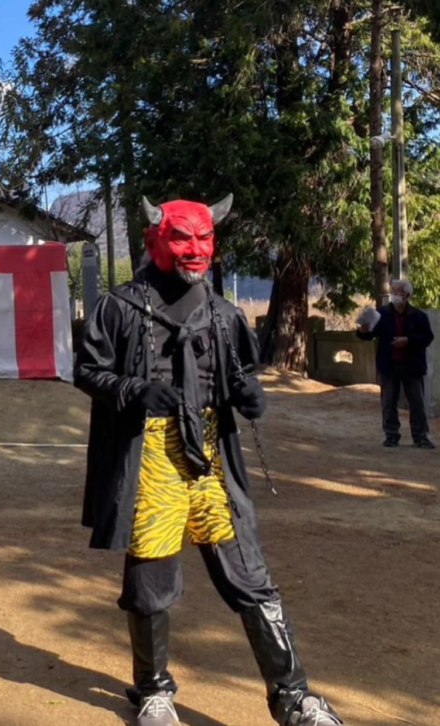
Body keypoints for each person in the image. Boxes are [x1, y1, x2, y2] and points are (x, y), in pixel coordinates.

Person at [75, 196, 343, 726]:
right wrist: (132, 390)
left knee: (249, 576)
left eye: (204, 239)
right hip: (152, 455)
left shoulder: (223, 314)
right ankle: (153, 691)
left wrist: (250, 398)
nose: (195, 250)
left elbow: (242, 376)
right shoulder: (119, 307)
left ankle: (295, 698)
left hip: (212, 457)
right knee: (151, 577)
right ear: (155, 240)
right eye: (182, 238)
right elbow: (86, 370)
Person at [356, 279, 435, 449]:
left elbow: (428, 337)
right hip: (388, 365)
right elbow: (368, 335)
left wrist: (408, 340)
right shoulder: (381, 314)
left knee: (417, 403)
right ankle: (391, 435)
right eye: (393, 291)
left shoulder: (419, 316)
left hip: (412, 366)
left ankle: (420, 436)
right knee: (388, 402)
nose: (395, 294)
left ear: (407, 295)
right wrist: (362, 330)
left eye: (398, 291)